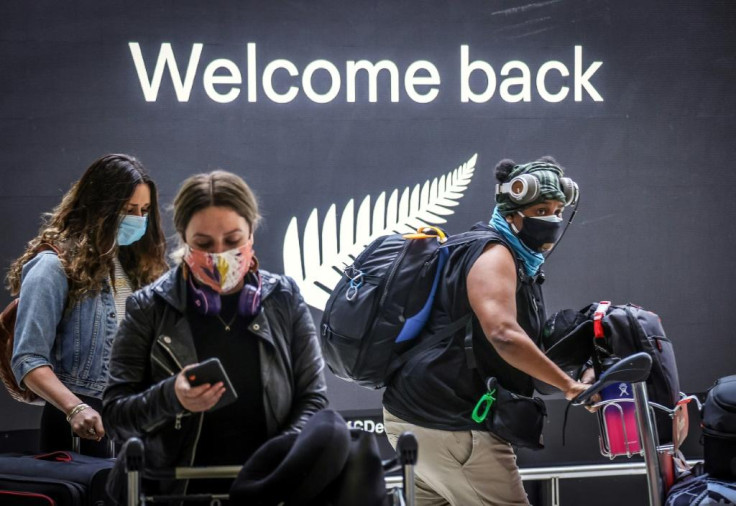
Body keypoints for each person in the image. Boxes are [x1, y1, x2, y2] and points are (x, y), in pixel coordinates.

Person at [382, 156, 595, 506]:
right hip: (453, 425)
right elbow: (503, 335)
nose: (552, 219)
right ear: (512, 214)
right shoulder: (495, 254)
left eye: (558, 209)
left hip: (414, 416)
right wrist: (569, 387)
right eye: (541, 209)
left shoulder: (485, 250)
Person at [102, 170, 328, 497]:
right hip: (174, 492)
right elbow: (114, 417)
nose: (219, 254)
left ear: (251, 233)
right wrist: (171, 397)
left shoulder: (284, 298)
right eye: (203, 244)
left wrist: (276, 459)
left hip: (265, 491)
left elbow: (314, 399)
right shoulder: (148, 307)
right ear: (183, 240)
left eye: (233, 240)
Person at [7, 153, 167, 456]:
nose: (138, 218)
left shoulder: (135, 267)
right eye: (128, 209)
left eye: (145, 210)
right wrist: (75, 408)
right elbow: (28, 360)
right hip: (81, 423)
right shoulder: (52, 266)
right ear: (100, 208)